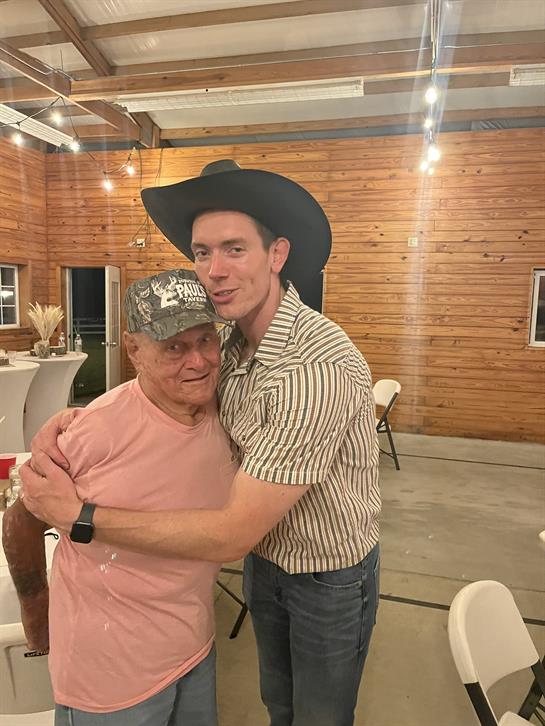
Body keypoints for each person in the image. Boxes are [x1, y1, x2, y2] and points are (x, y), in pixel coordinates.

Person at [21, 159, 381, 726]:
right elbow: (169, 382)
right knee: (279, 704)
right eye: (202, 252)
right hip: (268, 561)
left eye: (235, 249)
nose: (215, 270)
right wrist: (77, 418)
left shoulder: (312, 370)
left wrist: (80, 517)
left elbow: (232, 533)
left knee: (318, 718)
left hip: (324, 575)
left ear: (277, 255)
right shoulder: (229, 342)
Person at [3, 269, 237, 726]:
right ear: (133, 350)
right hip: (110, 673)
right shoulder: (95, 431)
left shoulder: (225, 407)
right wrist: (36, 612)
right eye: (173, 347)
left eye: (206, 340)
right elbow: (20, 520)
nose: (198, 361)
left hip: (194, 648)